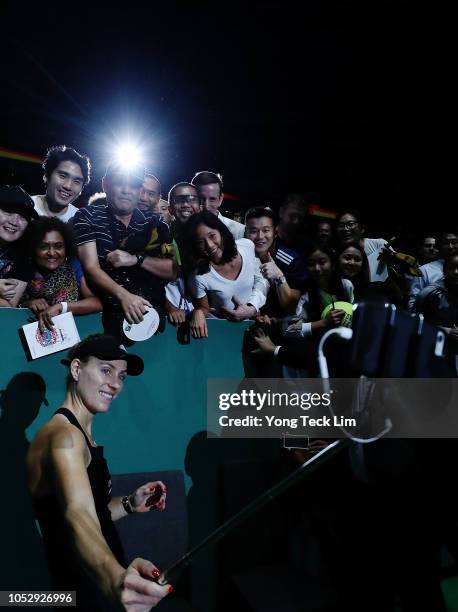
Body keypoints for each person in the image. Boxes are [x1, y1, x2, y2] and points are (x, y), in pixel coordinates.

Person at [27, 334, 171, 611]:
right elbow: (77, 514)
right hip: (81, 587)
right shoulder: (64, 437)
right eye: (106, 370)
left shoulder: (80, 434)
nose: (116, 384)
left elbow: (94, 512)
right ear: (77, 369)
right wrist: (116, 580)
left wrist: (130, 503)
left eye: (122, 376)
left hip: (94, 582)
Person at [73, 162, 176, 338]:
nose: (127, 190)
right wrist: (125, 297)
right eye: (120, 182)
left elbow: (173, 271)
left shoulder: (156, 224)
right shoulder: (87, 216)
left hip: (150, 319)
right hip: (99, 321)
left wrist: (137, 259)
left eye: (134, 185)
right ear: (105, 184)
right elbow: (91, 268)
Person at [182, 211, 268, 338]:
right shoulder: (199, 276)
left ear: (221, 231)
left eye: (212, 236)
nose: (209, 245)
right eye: (201, 242)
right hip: (222, 332)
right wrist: (198, 312)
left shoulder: (247, 246)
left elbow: (260, 281)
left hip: (250, 327)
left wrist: (252, 308)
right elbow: (203, 308)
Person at [20, 217, 102, 330]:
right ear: (33, 248)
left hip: (69, 331)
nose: (52, 253)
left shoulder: (73, 265)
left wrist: (61, 307)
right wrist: (28, 304)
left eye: (58, 246)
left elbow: (96, 303)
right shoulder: (23, 267)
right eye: (44, 247)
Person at [244, 206, 307, 316]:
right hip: (249, 317)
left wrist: (279, 276)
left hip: (281, 325)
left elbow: (290, 308)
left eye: (266, 230)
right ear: (246, 233)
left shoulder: (291, 261)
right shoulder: (240, 255)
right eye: (253, 231)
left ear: (275, 232)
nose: (260, 236)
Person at [0, 186, 38, 307]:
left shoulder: (24, 257)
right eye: (9, 211)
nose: (14, 222)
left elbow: (8, 306)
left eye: (23, 216)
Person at [32, 145, 91, 223]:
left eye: (76, 181)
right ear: (46, 176)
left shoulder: (81, 221)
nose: (68, 186)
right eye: (62, 176)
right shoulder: (23, 208)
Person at [335, 209, 393, 282]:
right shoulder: (336, 254)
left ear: (362, 228)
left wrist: (391, 260)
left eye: (350, 224)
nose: (345, 229)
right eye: (341, 225)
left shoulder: (380, 245)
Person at [191, 171, 245, 240]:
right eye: (201, 199)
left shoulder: (239, 231)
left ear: (220, 199)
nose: (206, 206)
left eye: (212, 199)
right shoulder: (185, 229)